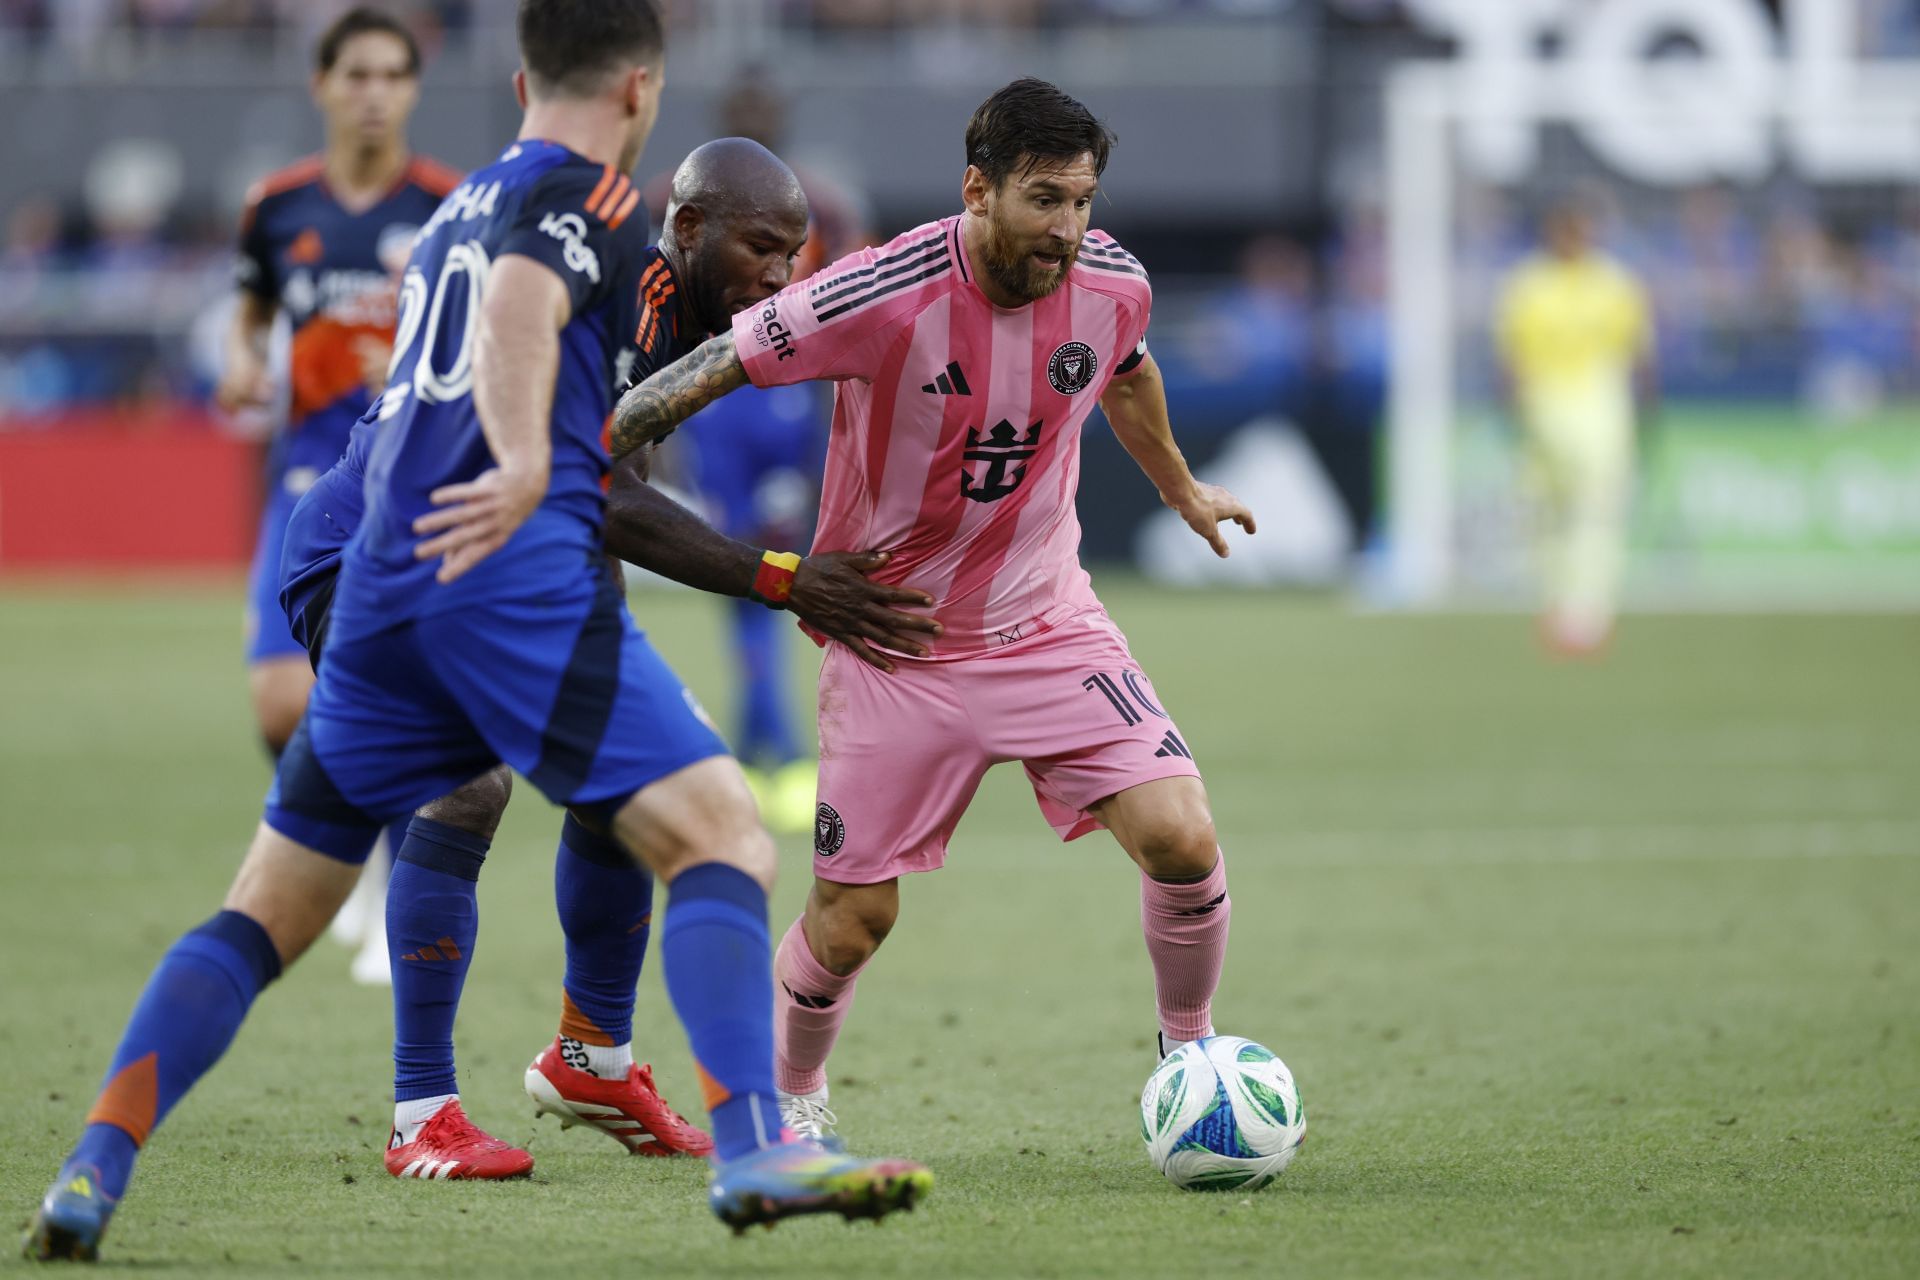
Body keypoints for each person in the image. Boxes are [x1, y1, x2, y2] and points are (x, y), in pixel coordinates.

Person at [24, 2, 930, 1261]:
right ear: (638, 89)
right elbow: (522, 319)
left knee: (274, 903)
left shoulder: (462, 201)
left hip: (387, 560)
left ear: (521, 78)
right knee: (715, 824)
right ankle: (743, 1146)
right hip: (478, 557)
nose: (778, 269)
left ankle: (94, 1162)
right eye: (766, 246)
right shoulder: (597, 208)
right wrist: (525, 466)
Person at [597, 77, 1257, 1144]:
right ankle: (793, 1097)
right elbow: (720, 359)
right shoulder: (879, 288)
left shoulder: (1111, 283)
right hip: (893, 638)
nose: (1069, 229)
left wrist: (1181, 486)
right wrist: (585, 443)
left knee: (1182, 836)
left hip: (1045, 619)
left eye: (1083, 200)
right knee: (854, 921)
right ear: (977, 189)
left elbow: (1129, 373)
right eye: (1045, 199)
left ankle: (1192, 1053)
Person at [275, 136, 940, 1181]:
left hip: (496, 548)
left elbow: (593, 496)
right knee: (468, 786)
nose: (780, 274)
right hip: (375, 547)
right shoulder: (613, 283)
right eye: (762, 247)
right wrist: (782, 575)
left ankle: (592, 1054)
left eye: (793, 253)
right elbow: (603, 495)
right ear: (687, 228)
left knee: (635, 775)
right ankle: (421, 1113)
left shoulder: (688, 311)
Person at [215, 6, 460, 983]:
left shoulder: (448, 205)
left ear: (412, 89)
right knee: (282, 703)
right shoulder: (277, 206)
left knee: (401, 690)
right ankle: (342, 850)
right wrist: (241, 365)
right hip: (307, 478)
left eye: (391, 76)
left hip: (407, 481)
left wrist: (404, 369)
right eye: (355, 74)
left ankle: (396, 890)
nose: (373, 93)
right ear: (323, 86)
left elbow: (477, 336)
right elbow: (251, 317)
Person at [650, 69, 879, 834]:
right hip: (715, 411)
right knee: (737, 569)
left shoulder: (828, 207)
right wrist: (669, 429)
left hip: (784, 410)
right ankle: (772, 751)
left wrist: (833, 431)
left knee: (777, 569)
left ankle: (767, 747)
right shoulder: (675, 201)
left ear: (779, 116)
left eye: (763, 106)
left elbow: (853, 316)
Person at [1495, 200, 1656, 655]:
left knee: (1594, 511)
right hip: (1543, 404)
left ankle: (1586, 613)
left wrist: (1646, 412)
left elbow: (1639, 352)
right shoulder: (1528, 284)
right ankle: (1558, 605)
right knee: (1546, 515)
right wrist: (1511, 412)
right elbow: (1511, 358)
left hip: (1597, 403)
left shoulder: (1613, 283)